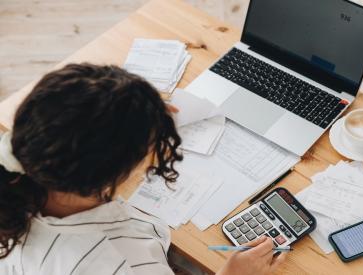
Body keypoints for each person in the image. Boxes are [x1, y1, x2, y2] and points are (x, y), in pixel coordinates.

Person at [0, 63, 285, 275]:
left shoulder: (19, 167)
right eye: (150, 150)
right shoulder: (123, 263)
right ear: (108, 177)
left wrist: (141, 108)